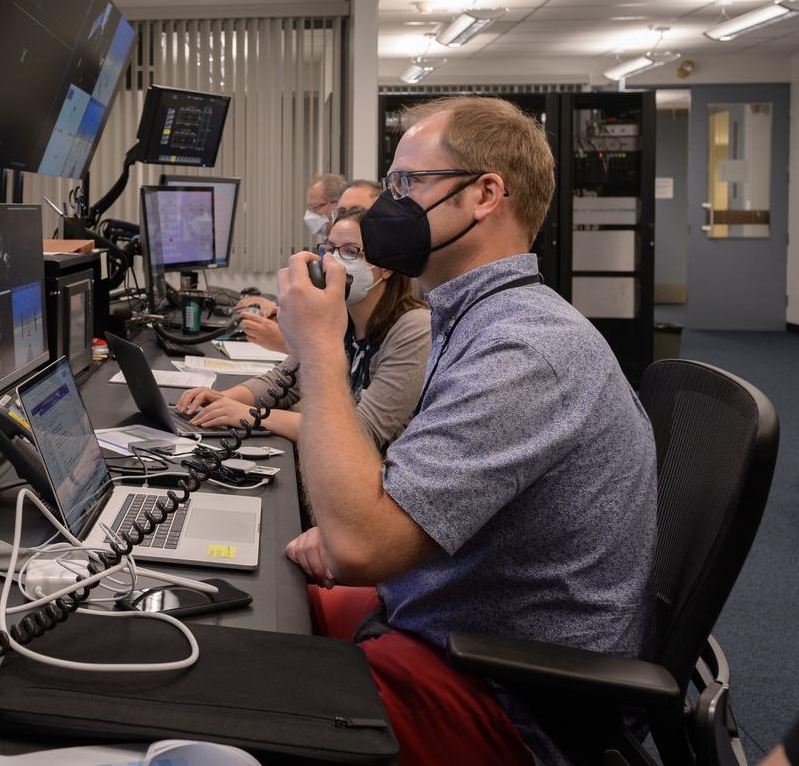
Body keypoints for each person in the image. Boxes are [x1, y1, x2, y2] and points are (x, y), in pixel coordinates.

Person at [276, 96, 657, 766]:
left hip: (509, 697)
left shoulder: (524, 350)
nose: (389, 206)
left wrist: (318, 348)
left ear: (484, 195)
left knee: (248, 692)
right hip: (449, 622)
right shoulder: (477, 319)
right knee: (268, 604)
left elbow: (361, 546)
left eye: (408, 183)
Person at [177, 207, 430, 451]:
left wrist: (250, 414)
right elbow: (283, 380)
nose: (333, 262)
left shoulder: (415, 329)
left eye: (350, 251)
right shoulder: (338, 317)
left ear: (386, 267)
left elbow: (361, 432)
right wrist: (223, 398)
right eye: (330, 250)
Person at [235, 171, 347, 319]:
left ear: (338, 205)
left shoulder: (345, 253)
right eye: (310, 208)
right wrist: (277, 305)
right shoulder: (325, 247)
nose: (310, 215)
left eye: (315, 207)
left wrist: (275, 306)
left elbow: (324, 305)